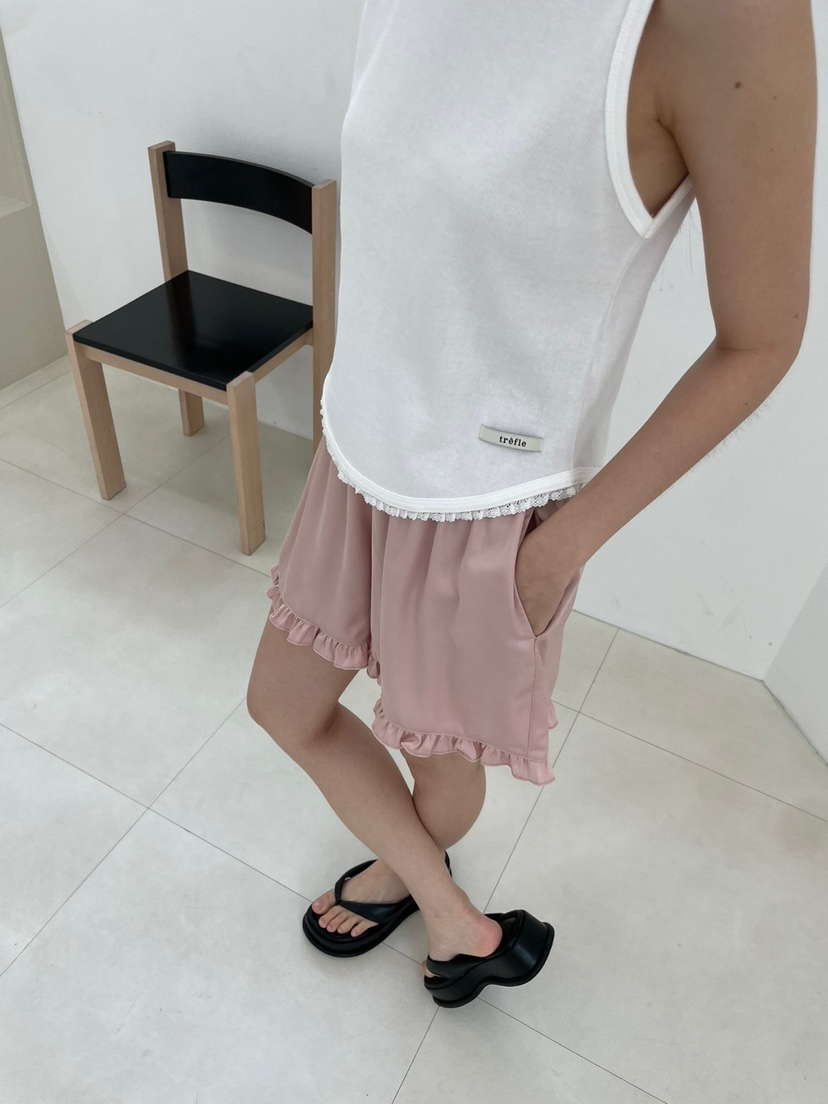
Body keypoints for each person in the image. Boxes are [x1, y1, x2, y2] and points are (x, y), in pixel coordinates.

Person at [246, 0, 816, 1008]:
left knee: (434, 761)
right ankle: (454, 914)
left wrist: (559, 551)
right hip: (359, 451)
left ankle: (433, 901)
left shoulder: (727, 19)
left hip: (488, 504)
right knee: (283, 706)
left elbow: (761, 339)